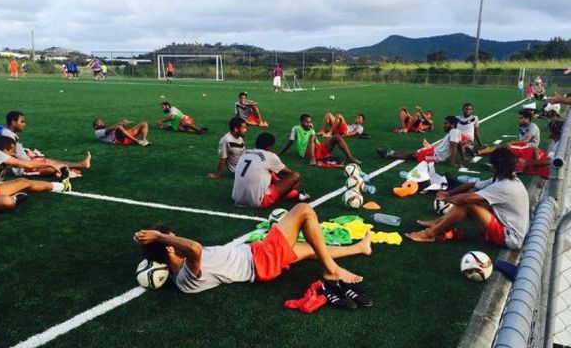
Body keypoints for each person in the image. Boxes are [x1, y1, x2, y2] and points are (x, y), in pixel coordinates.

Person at [133, 203, 373, 303]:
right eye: (173, 237)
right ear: (169, 247)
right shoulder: (186, 273)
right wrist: (159, 236)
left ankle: (360, 248)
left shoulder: (179, 273)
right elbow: (194, 248)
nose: (177, 237)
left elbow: (185, 249)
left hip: (257, 255)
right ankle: (332, 272)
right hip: (261, 260)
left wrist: (151, 242)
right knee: (304, 211)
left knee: (311, 249)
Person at [406, 148, 529, 250]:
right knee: (470, 198)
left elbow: (467, 199)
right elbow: (472, 185)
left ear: (495, 166)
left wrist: (447, 199)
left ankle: (430, 233)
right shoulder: (504, 178)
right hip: (507, 226)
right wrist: (448, 193)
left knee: (468, 203)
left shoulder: (504, 186)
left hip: (510, 238)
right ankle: (437, 224)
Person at [0, 136, 72, 214]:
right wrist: (51, 164)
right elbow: (27, 164)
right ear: (6, 149)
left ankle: (62, 186)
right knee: (7, 202)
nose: (14, 153)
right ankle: (9, 201)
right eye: (13, 150)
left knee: (23, 181)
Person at [2, 111, 91, 177]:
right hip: (21, 167)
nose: (24, 124)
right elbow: (6, 156)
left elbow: (14, 151)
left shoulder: (10, 134)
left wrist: (26, 152)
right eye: (22, 121)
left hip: (26, 161)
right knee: (51, 166)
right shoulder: (8, 136)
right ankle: (71, 168)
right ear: (13, 122)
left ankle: (76, 166)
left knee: (49, 161)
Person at [232, 132, 309, 208]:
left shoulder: (245, 153)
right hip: (257, 202)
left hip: (236, 197)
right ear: (269, 147)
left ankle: (293, 194)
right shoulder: (270, 156)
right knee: (295, 176)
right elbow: (290, 174)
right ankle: (289, 195)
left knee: (270, 172)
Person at [377, 116, 465, 168]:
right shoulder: (456, 132)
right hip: (433, 152)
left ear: (452, 125)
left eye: (446, 123)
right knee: (413, 154)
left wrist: (453, 163)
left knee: (413, 155)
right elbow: (460, 146)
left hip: (435, 157)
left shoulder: (454, 132)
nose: (444, 125)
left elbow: (454, 147)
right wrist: (463, 158)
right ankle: (390, 153)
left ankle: (389, 154)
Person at [279, 114, 362, 166]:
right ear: (301, 122)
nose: (309, 124)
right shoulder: (296, 128)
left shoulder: (311, 127)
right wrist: (281, 152)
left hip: (318, 148)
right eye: (306, 122)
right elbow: (290, 142)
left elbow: (315, 140)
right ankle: (312, 159)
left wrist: (320, 145)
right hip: (306, 152)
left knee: (337, 136)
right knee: (312, 136)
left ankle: (350, 158)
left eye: (310, 122)